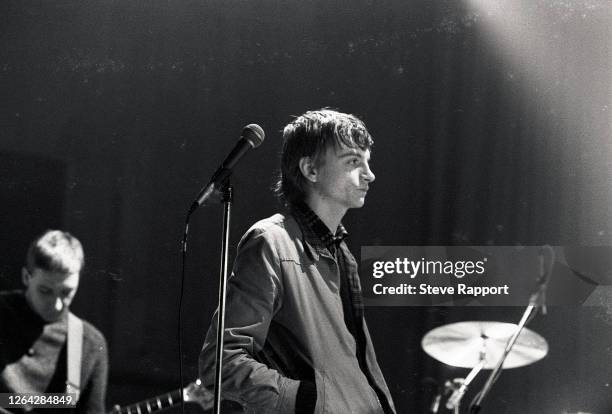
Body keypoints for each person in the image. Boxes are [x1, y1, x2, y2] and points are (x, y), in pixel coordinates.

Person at [199, 109, 396, 413]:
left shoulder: (341, 254)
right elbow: (221, 363)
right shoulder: (272, 241)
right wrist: (308, 400)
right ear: (310, 169)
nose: (369, 174)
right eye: (354, 161)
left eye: (367, 161)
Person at [0, 230, 108, 413]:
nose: (57, 305)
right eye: (45, 291)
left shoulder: (89, 343)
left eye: (66, 292)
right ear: (27, 277)